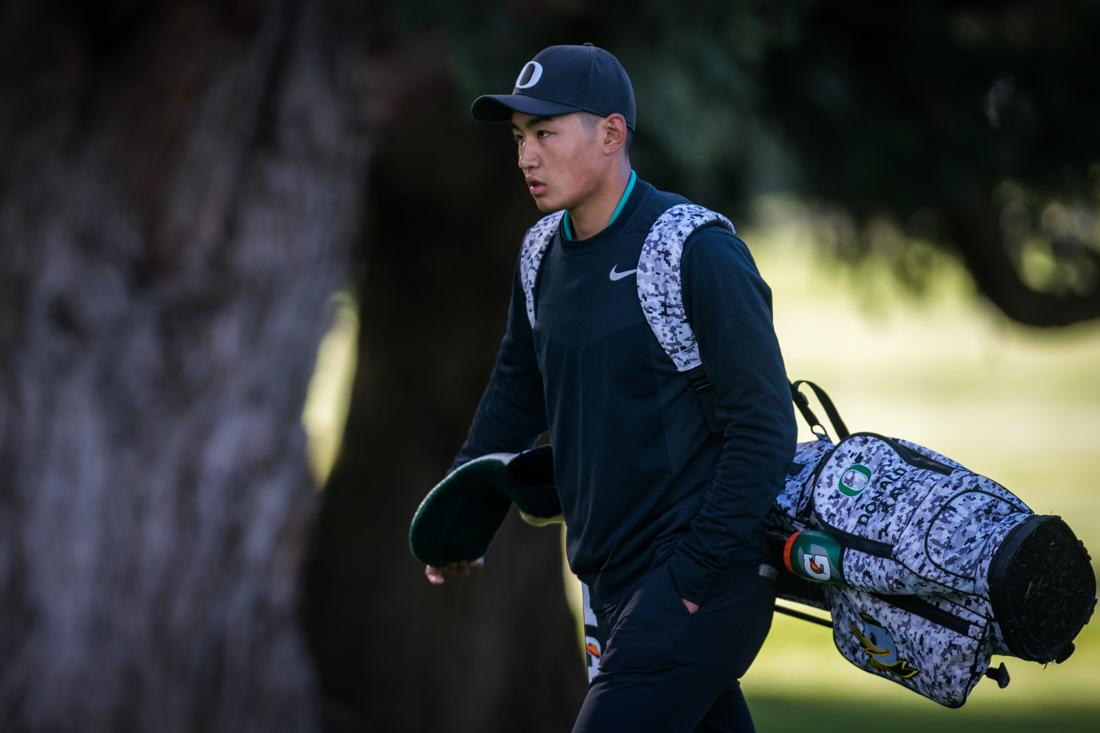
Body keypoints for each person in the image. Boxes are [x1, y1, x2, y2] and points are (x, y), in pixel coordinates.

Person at [424, 43, 797, 733]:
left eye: (544, 133)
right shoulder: (541, 255)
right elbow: (516, 390)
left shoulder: (694, 249)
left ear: (611, 134)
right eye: (518, 138)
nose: (525, 157)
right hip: (612, 581)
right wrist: (461, 515)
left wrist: (689, 578)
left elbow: (766, 427)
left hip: (701, 580)